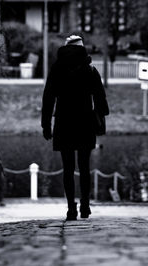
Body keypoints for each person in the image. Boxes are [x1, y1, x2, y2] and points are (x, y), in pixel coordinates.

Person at [41, 35, 109, 220]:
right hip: (85, 121)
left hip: (64, 122)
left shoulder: (57, 69)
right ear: (82, 48)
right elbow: (100, 99)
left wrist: (46, 124)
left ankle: (71, 208)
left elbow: (48, 98)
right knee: (85, 166)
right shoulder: (90, 69)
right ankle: (85, 206)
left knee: (68, 168)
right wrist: (101, 123)